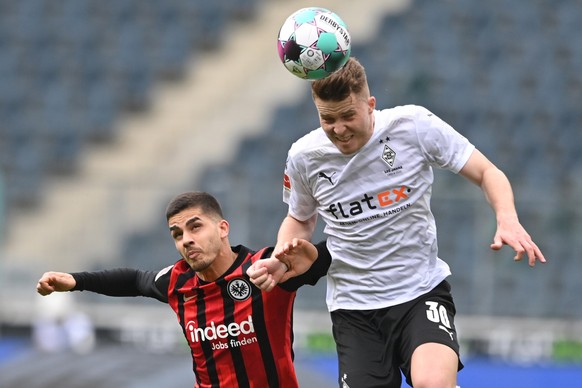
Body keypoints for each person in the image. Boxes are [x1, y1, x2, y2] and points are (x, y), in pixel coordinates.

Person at [248, 57, 546, 388]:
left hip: (420, 292)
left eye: (348, 115)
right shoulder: (304, 156)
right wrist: (280, 254)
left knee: (433, 383)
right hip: (353, 307)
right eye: (327, 119)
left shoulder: (413, 126)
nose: (339, 128)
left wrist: (507, 218)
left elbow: (487, 171)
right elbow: (299, 219)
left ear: (371, 105)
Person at [37, 191, 331, 388]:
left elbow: (334, 253)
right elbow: (135, 280)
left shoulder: (268, 268)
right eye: (177, 234)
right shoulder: (177, 281)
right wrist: (76, 281)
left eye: (195, 227)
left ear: (223, 228)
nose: (186, 240)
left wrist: (315, 255)